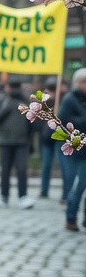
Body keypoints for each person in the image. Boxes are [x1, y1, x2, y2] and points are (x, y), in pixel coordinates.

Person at [0, 80, 34, 209]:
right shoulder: (2, 100)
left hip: (22, 142)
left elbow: (33, 121)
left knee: (21, 170)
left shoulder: (26, 100)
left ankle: (23, 196)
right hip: (5, 142)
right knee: (5, 170)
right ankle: (4, 196)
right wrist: (4, 110)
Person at [57, 68, 86, 231]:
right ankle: (71, 217)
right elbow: (63, 122)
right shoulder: (70, 99)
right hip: (76, 151)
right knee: (78, 184)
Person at [37, 77, 62, 199]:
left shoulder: (61, 100)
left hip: (58, 138)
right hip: (46, 138)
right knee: (46, 165)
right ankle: (44, 190)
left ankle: (65, 193)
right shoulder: (43, 101)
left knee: (62, 166)